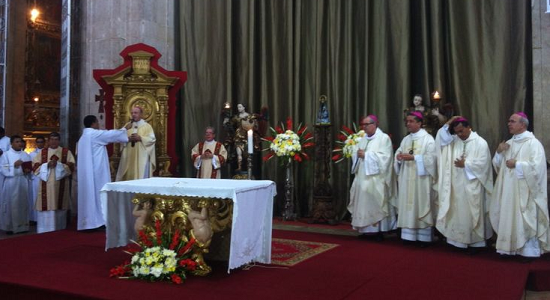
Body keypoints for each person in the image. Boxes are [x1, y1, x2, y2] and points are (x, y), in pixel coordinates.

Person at [490, 112, 550, 258]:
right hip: (508, 191)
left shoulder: (533, 143)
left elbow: (538, 168)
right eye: (509, 121)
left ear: (522, 124)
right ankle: (508, 249)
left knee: (524, 218)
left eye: (513, 121)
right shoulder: (508, 143)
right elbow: (498, 167)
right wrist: (498, 152)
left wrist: (517, 164)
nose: (509, 124)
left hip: (525, 191)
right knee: (509, 217)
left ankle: (527, 251)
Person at [435, 116, 493, 251]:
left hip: (473, 186)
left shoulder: (480, 143)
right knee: (456, 212)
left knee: (473, 213)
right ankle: (457, 241)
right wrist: (449, 122)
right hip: (456, 186)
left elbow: (484, 164)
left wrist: (466, 164)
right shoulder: (454, 141)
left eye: (461, 131)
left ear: (469, 127)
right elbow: (440, 137)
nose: (459, 135)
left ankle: (475, 243)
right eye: (456, 132)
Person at [347, 115, 396, 240]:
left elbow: (386, 158)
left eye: (366, 125)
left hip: (376, 178)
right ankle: (364, 230)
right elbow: (357, 153)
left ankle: (378, 231)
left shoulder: (383, 138)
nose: (364, 127)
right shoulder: (362, 139)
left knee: (376, 202)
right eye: (363, 125)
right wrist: (356, 154)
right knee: (362, 202)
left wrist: (367, 155)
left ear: (374, 124)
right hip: (362, 176)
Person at [77, 115, 130, 230]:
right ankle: (98, 222)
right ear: (93, 123)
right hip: (97, 171)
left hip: (87, 173)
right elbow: (111, 135)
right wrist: (125, 129)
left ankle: (88, 222)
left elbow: (106, 134)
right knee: (99, 194)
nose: (98, 125)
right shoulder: (94, 134)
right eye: (97, 122)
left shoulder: (83, 137)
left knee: (90, 196)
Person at [394, 111, 437, 245]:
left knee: (421, 204)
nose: (408, 124)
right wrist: (399, 158)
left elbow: (432, 159)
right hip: (407, 177)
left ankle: (423, 238)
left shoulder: (428, 139)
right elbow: (399, 152)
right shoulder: (406, 139)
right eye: (407, 121)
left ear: (419, 123)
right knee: (408, 204)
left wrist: (414, 158)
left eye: (411, 121)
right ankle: (408, 236)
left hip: (421, 180)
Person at [32, 132, 75, 233]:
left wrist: (58, 165)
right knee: (46, 207)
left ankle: (59, 230)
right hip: (45, 186)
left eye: (56, 139)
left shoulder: (65, 152)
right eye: (51, 139)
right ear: (48, 140)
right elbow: (35, 166)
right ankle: (44, 230)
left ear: (59, 140)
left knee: (59, 208)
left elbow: (71, 165)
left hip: (61, 185)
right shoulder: (42, 152)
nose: (53, 141)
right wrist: (47, 165)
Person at [0, 135, 32, 234]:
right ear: (12, 143)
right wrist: (14, 165)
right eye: (17, 142)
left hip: (22, 181)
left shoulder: (26, 155)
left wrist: (28, 171)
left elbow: (30, 168)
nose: (19, 143)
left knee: (22, 204)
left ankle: (22, 227)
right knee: (10, 204)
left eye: (20, 142)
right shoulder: (6, 155)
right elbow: (3, 169)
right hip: (11, 181)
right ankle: (9, 227)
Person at [115, 106, 156, 181]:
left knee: (140, 175)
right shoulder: (128, 125)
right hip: (128, 154)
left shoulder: (147, 126)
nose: (133, 115)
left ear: (141, 114)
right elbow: (119, 136)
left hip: (141, 155)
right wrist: (127, 139)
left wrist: (140, 138)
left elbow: (152, 139)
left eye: (136, 113)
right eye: (132, 113)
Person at [28, 135, 46, 223]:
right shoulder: (31, 154)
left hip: (45, 178)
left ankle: (43, 218)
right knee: (35, 198)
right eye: (38, 142)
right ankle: (34, 218)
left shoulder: (48, 153)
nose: (40, 143)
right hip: (35, 178)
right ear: (36, 143)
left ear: (44, 143)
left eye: (41, 142)